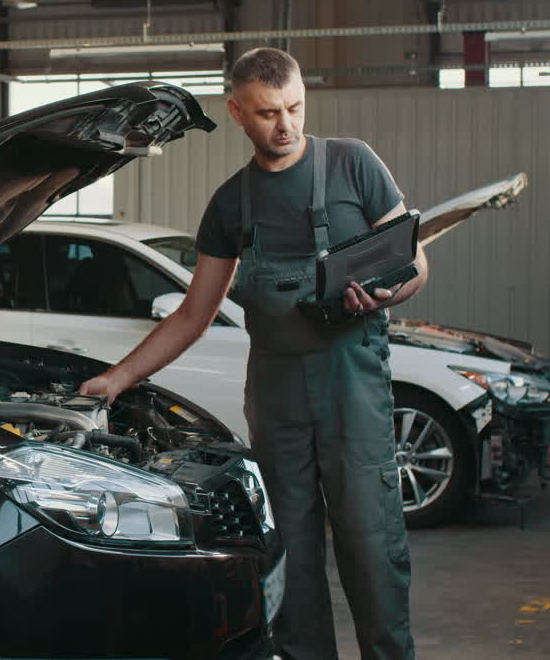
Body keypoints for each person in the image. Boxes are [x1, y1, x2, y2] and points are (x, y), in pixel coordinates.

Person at [79, 47, 426, 660]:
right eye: (268, 113)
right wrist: (117, 377)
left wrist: (384, 291)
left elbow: (416, 262)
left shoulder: (354, 164)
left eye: (294, 107)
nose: (286, 124)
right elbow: (193, 313)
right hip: (276, 395)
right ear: (237, 112)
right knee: (290, 553)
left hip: (352, 387)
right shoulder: (230, 204)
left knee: (372, 548)